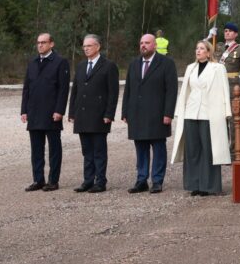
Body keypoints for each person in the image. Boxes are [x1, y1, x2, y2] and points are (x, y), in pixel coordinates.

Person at [171, 39, 231, 196]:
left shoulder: (218, 68)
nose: (198, 51)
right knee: (192, 150)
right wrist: (180, 111)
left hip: (209, 114)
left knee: (208, 150)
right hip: (191, 112)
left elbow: (224, 90)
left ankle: (208, 185)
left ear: (208, 52)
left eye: (202, 48)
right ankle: (194, 184)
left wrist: (226, 112)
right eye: (197, 48)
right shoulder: (190, 68)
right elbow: (185, 91)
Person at [122, 33, 178, 194]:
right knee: (141, 149)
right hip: (137, 114)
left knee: (158, 149)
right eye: (141, 43)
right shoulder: (134, 64)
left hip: (157, 114)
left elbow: (171, 91)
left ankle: (157, 181)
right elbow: (128, 90)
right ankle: (141, 180)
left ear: (154, 45)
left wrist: (168, 113)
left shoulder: (166, 63)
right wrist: (125, 111)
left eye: (147, 43)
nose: (143, 46)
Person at [67, 34, 119, 193]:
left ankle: (100, 181)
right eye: (84, 46)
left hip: (99, 116)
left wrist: (109, 114)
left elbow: (113, 93)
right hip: (82, 115)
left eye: (89, 46)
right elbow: (75, 90)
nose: (86, 49)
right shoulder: (81, 66)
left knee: (98, 150)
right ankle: (88, 180)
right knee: (86, 150)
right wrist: (72, 112)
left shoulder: (108, 66)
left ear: (98, 47)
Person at [21, 33, 71, 192]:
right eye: (38, 43)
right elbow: (26, 88)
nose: (40, 45)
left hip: (51, 113)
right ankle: (38, 180)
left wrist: (59, 110)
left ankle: (53, 180)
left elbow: (63, 90)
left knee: (54, 149)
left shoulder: (60, 62)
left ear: (51, 44)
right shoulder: (33, 63)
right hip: (34, 113)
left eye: (43, 42)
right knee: (36, 149)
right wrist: (24, 110)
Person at [212, 21, 240, 157]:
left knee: (233, 120)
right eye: (225, 31)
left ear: (235, 34)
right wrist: (208, 37)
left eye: (230, 31)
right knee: (220, 119)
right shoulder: (218, 47)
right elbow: (204, 53)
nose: (227, 33)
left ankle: (234, 150)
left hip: (232, 86)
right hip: (218, 86)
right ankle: (222, 149)